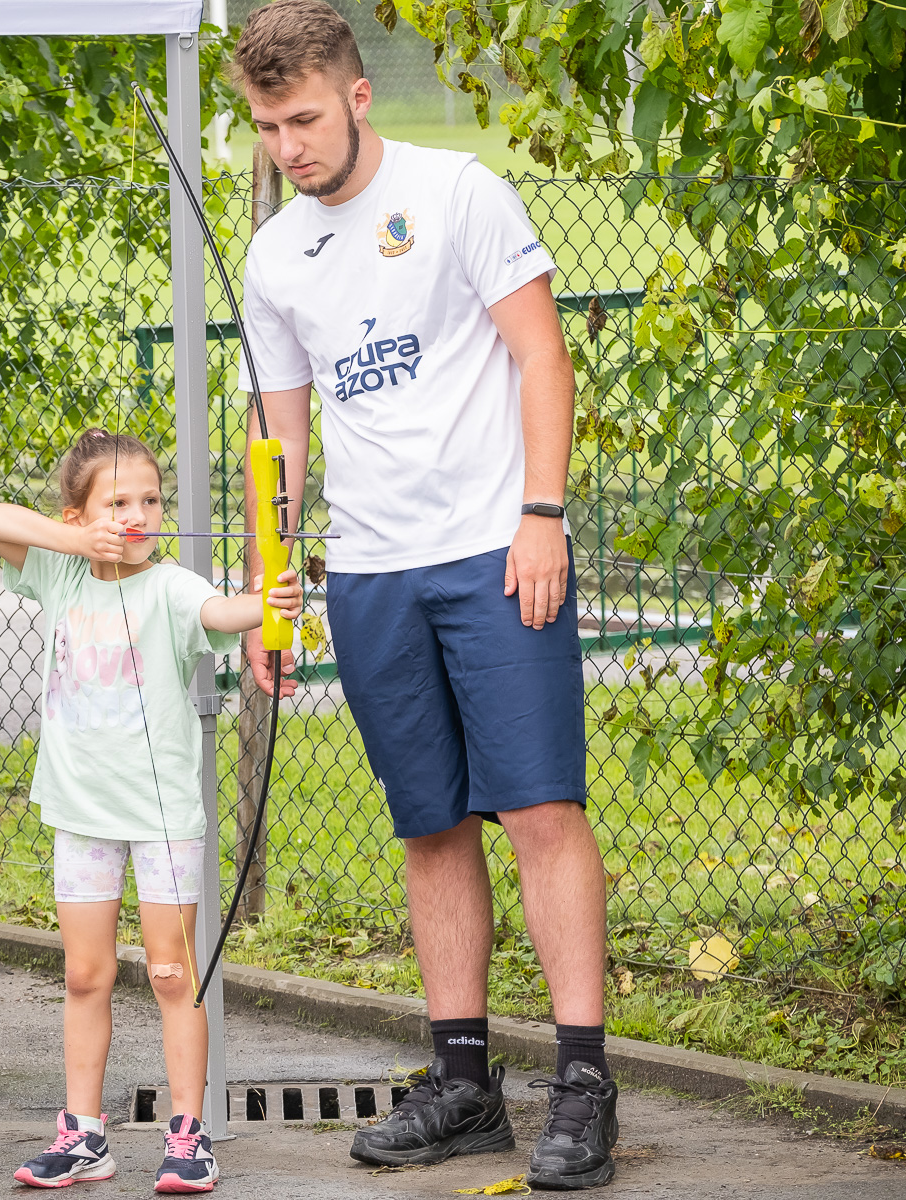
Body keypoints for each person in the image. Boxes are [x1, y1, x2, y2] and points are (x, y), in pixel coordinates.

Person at [230, 2, 615, 1189]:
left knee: (541, 809)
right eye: (265, 127)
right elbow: (279, 433)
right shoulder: (275, 254)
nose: (288, 147)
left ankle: (584, 1086)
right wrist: (275, 590)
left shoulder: (458, 194)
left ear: (356, 96)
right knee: (430, 822)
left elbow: (541, 354)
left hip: (498, 554)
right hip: (373, 573)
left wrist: (541, 514)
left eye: (302, 118)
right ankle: (463, 1085)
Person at [0, 429, 303, 1194]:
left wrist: (271, 601)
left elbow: (225, 611)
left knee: (170, 971)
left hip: (162, 817)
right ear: (79, 512)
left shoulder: (171, 586)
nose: (138, 514)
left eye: (150, 500)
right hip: (81, 812)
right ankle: (83, 1136)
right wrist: (73, 538)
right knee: (85, 974)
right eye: (118, 502)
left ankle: (189, 1135)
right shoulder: (59, 576)